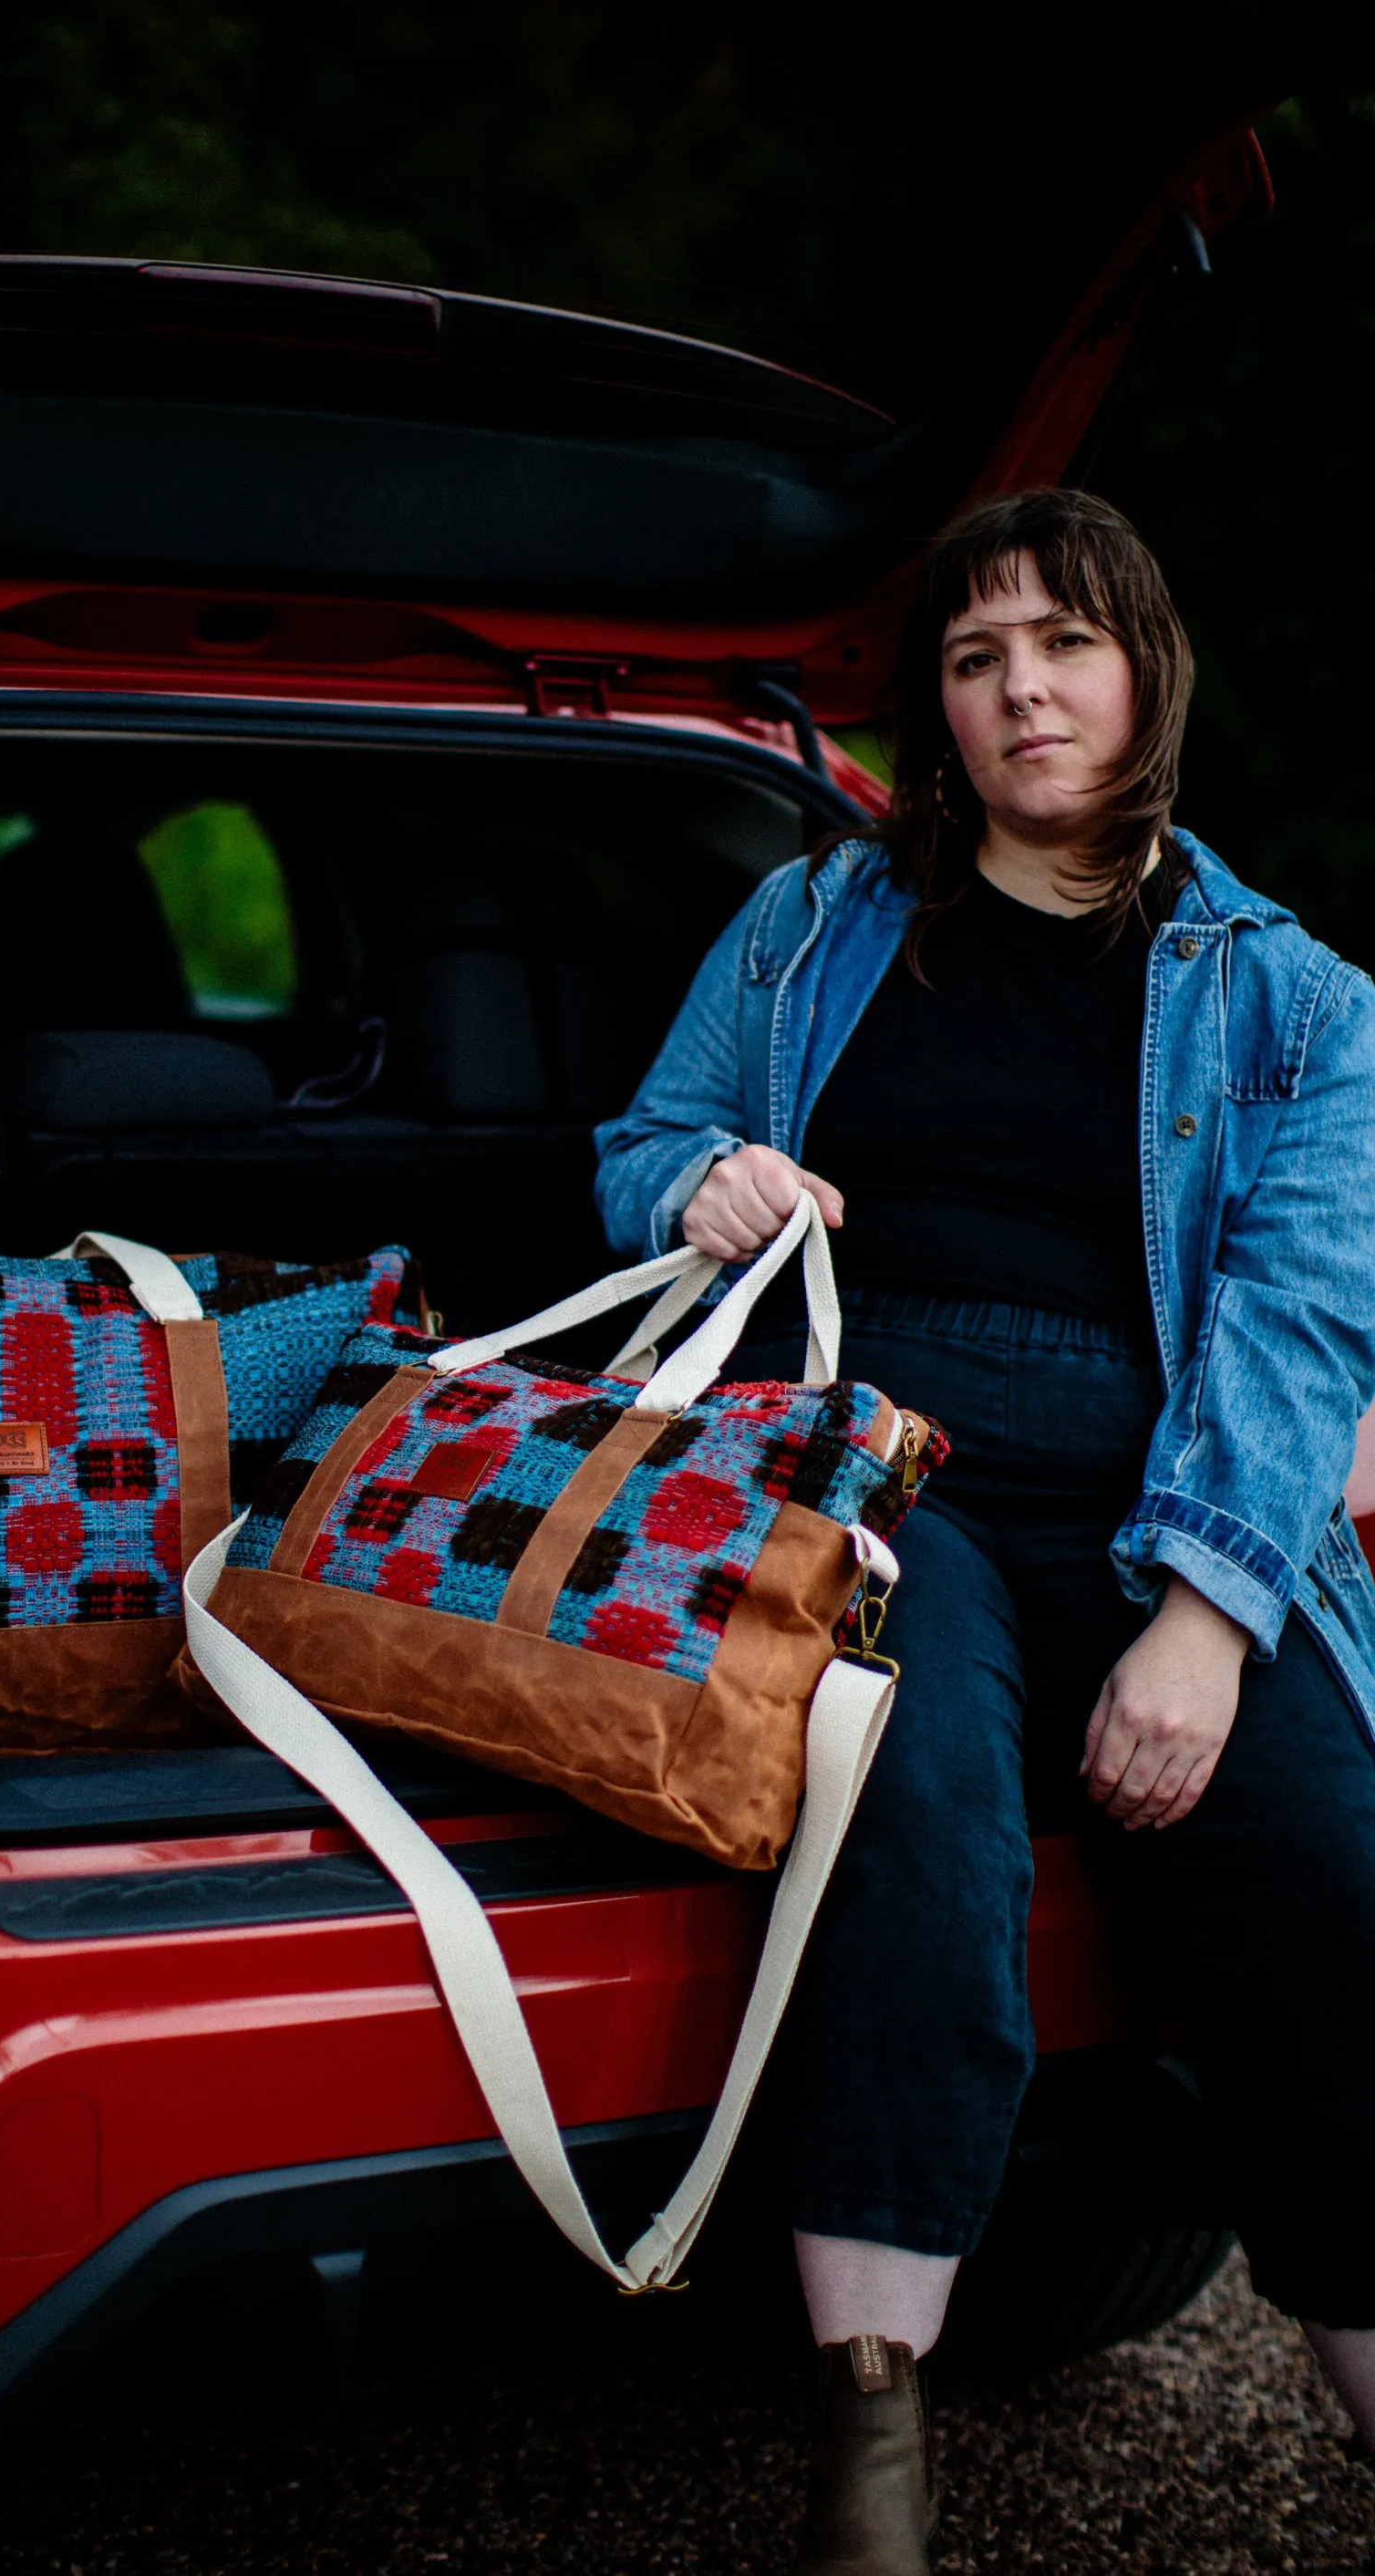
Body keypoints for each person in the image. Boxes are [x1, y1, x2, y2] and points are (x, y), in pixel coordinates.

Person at [594, 488, 1375, 2574]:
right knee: (913, 1807)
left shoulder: (1295, 998)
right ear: (932, 711)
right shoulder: (810, 924)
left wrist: (1206, 1620)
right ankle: (873, 2470)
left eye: (1064, 642)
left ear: (1145, 674)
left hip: (1166, 1492)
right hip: (869, 1464)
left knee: (1326, 1860)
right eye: (971, 656)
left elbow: (1305, 1319)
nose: (1021, 689)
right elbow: (642, 1141)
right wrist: (700, 1191)